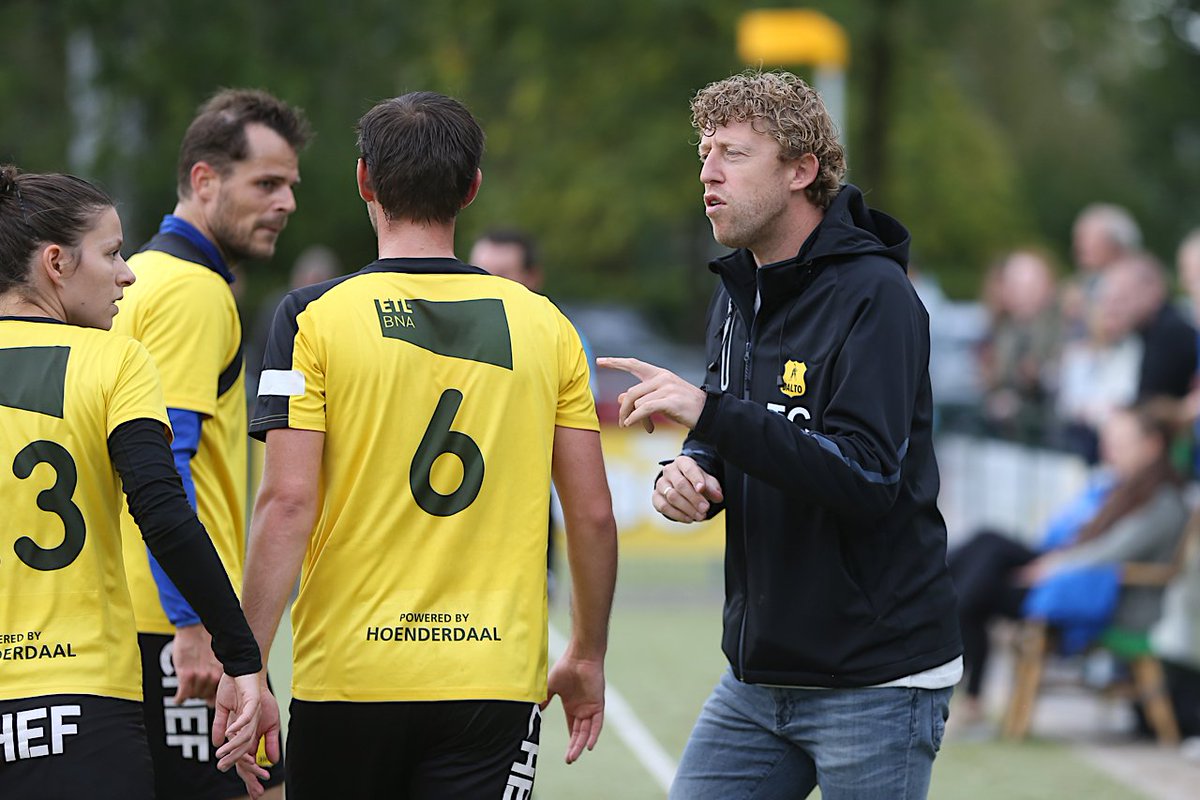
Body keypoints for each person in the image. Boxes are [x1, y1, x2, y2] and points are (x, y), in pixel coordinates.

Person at [238, 92, 618, 799]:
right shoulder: (548, 326)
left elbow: (287, 502)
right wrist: (587, 653)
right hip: (493, 682)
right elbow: (592, 514)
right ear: (471, 189)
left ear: (364, 181)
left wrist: (248, 666)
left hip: (349, 677)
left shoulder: (309, 317)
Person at [600, 70, 961, 799]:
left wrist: (710, 417)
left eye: (732, 152)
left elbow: (863, 478)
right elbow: (734, 433)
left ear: (802, 170)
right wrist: (694, 473)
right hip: (759, 674)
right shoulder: (738, 292)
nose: (707, 173)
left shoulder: (878, 296)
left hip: (877, 676)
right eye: (704, 152)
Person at [0, 166, 263, 798]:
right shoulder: (114, 359)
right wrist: (242, 655)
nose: (128, 273)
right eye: (113, 252)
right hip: (82, 702)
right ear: (56, 263)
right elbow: (164, 514)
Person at [110, 88, 309, 800]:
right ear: (204, 180)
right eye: (265, 183)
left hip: (140, 617)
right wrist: (194, 623)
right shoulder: (192, 292)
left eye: (290, 185)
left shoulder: (135, 275)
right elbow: (166, 465)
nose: (285, 201)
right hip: (173, 624)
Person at [950, 399, 1188, 724]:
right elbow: (1065, 535)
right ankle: (970, 685)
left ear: (1152, 446)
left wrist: (1054, 566)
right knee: (986, 549)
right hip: (1076, 579)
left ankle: (961, 669)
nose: (1110, 453)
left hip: (1099, 597)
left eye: (1120, 444)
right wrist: (1057, 559)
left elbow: (1113, 551)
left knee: (979, 581)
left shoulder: (1163, 503)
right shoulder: (1117, 489)